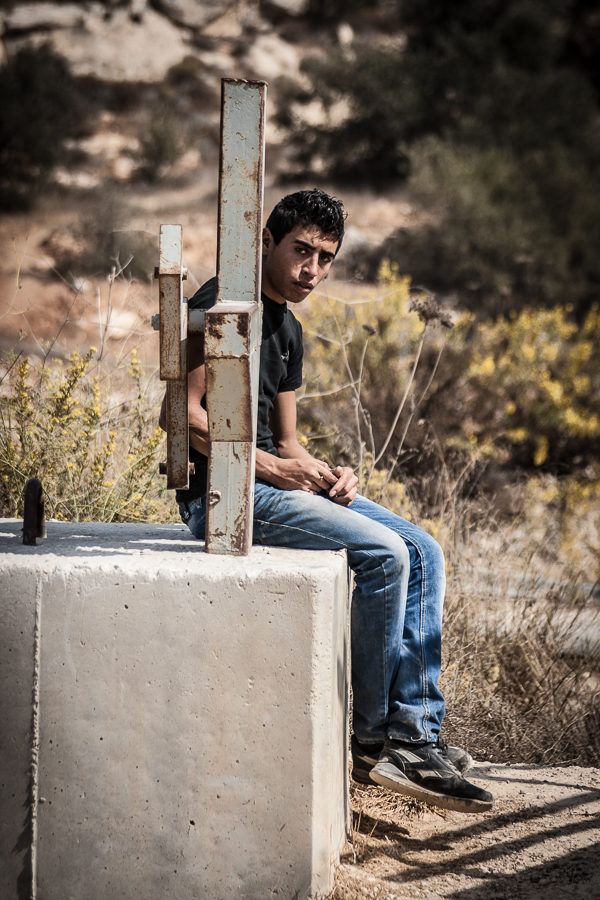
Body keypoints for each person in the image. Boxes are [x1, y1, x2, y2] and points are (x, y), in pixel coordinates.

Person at [161, 188, 494, 814]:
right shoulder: (222, 304)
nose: (311, 270)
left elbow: (287, 440)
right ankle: (370, 742)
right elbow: (181, 413)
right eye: (301, 251)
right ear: (265, 241)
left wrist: (327, 473)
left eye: (325, 258)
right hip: (223, 494)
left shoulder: (289, 327)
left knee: (424, 550)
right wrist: (269, 468)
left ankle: (414, 731)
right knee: (385, 556)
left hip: (268, 481)